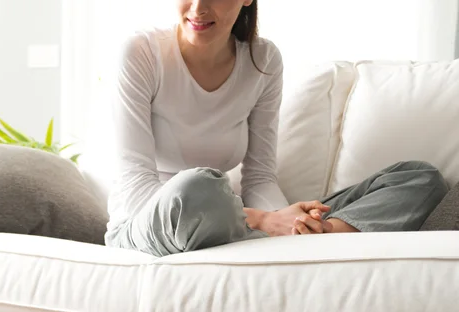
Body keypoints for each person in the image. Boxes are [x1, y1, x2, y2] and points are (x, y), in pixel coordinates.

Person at [104, 0, 449, 257]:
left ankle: (321, 239)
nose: (198, 8)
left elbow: (259, 177)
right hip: (151, 223)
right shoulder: (140, 53)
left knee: (418, 177)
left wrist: (289, 222)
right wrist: (263, 220)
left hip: (228, 220)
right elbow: (135, 190)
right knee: (195, 185)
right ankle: (304, 244)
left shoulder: (263, 60)